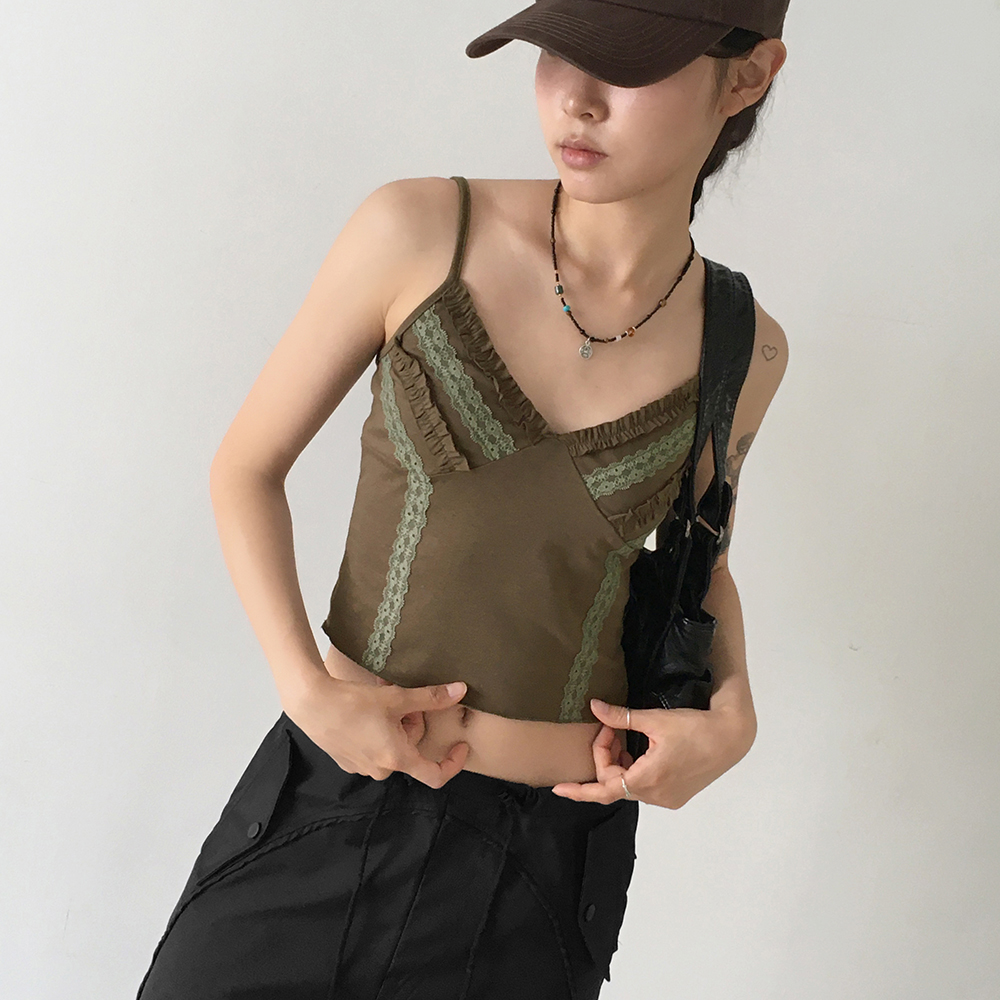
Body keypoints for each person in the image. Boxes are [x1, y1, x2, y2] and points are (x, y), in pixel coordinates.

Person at [135, 2, 790, 997]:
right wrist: (304, 687)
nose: (575, 98)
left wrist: (734, 716)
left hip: (540, 877)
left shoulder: (746, 346)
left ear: (745, 77)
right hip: (326, 813)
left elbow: (702, 562)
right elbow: (246, 467)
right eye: (558, 53)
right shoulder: (417, 231)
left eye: (628, 64)